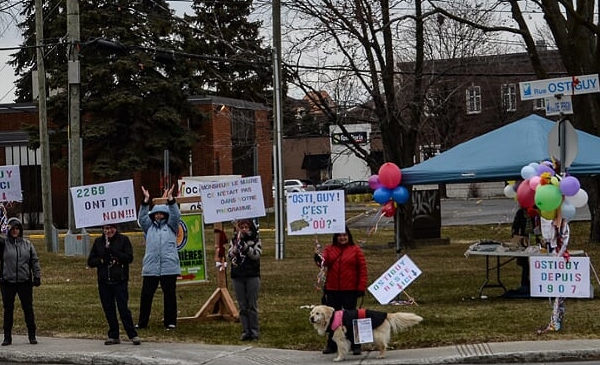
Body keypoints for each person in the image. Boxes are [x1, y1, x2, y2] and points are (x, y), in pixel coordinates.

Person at [313, 226, 367, 356]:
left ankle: (356, 344)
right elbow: (323, 263)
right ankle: (332, 344)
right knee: (331, 319)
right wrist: (318, 258)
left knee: (351, 318)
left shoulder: (356, 250)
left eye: (344, 235)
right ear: (335, 237)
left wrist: (361, 287)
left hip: (350, 290)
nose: (342, 238)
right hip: (332, 289)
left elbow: (363, 270)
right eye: (339, 235)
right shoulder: (330, 249)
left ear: (349, 236)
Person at [136, 185, 181, 330]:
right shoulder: (149, 227)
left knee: (169, 296)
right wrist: (145, 201)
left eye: (161, 213)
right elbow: (142, 218)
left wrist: (171, 201)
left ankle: (170, 321)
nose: (159, 216)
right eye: (156, 214)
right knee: (146, 296)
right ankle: (142, 322)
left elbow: (176, 215)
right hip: (151, 267)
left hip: (169, 267)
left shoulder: (172, 227)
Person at [88, 223, 141, 345]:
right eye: (106, 228)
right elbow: (91, 261)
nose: (109, 231)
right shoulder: (98, 242)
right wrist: (102, 260)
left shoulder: (123, 240)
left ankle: (132, 334)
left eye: (111, 228)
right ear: (103, 229)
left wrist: (113, 251)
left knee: (123, 309)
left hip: (120, 281)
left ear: (116, 228)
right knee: (109, 309)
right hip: (104, 282)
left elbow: (129, 258)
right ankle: (113, 335)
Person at [0, 217, 41, 346]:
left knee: (28, 308)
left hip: (24, 282)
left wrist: (37, 276)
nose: (15, 231)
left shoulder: (27, 245)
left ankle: (32, 335)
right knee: (8, 310)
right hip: (8, 282)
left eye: (17, 228)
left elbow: (34, 261)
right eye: (12, 228)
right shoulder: (3, 244)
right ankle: (7, 336)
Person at [228, 219, 262, 341]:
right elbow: (230, 255)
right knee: (242, 306)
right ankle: (245, 331)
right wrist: (236, 248)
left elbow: (257, 255)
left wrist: (246, 248)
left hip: (252, 275)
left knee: (251, 305)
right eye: (241, 227)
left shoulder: (255, 239)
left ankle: (254, 331)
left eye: (246, 227)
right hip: (238, 275)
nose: (244, 229)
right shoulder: (234, 240)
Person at [537, 210, 570, 334]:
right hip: (555, 257)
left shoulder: (563, 225)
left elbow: (563, 243)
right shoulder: (551, 223)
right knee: (557, 290)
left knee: (560, 290)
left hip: (559, 258)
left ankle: (556, 321)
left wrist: (558, 256)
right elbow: (549, 239)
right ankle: (556, 319)